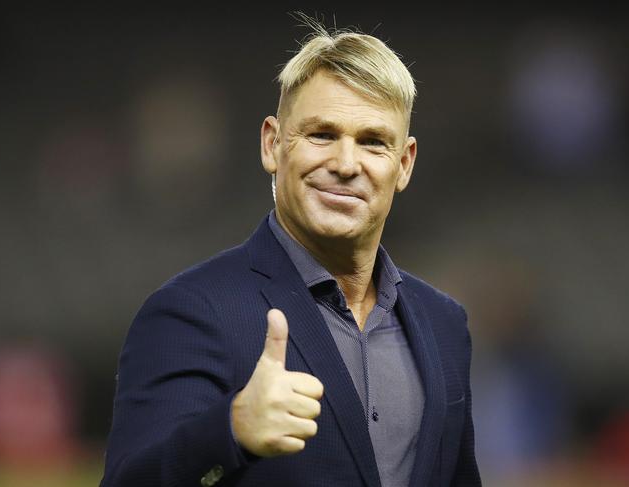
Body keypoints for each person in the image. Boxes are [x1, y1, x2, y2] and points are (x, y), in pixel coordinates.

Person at [100, 20, 481, 487]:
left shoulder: (445, 326)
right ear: (272, 144)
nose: (345, 164)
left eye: (373, 142)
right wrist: (232, 431)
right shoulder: (191, 313)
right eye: (322, 134)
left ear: (403, 164)